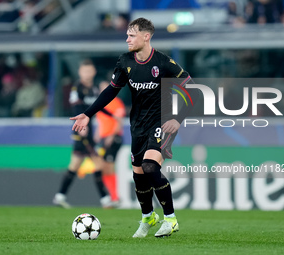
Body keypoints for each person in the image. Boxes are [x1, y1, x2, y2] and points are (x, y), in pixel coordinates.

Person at [70, 18, 195, 238]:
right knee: (138, 173)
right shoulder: (125, 61)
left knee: (149, 166)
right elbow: (111, 91)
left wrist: (178, 118)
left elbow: (191, 88)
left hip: (162, 122)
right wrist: (88, 114)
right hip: (137, 124)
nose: (127, 39)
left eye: (132, 35)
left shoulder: (163, 62)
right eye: (127, 35)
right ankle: (148, 217)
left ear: (146, 36)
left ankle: (171, 219)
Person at [53, 60, 115, 209]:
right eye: (84, 71)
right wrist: (82, 126)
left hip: (89, 130)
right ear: (80, 72)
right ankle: (106, 200)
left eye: (89, 71)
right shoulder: (77, 88)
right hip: (81, 131)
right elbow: (76, 108)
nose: (87, 74)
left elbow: (96, 106)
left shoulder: (94, 89)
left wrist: (112, 115)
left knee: (74, 165)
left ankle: (59, 196)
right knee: (98, 163)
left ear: (93, 72)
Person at [95, 80, 126, 204]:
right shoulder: (101, 103)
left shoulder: (116, 102)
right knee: (104, 167)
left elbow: (119, 121)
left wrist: (111, 136)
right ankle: (112, 197)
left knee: (109, 166)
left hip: (114, 138)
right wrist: (97, 135)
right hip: (104, 138)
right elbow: (101, 122)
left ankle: (114, 197)